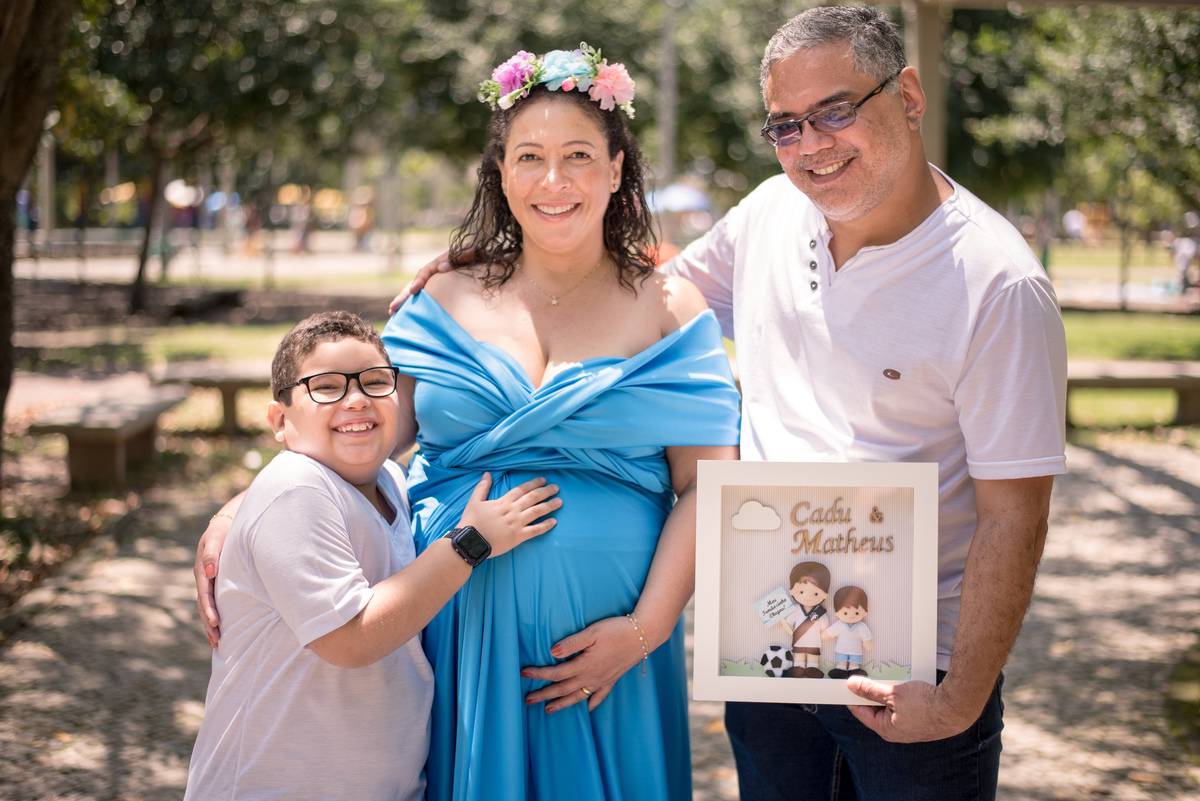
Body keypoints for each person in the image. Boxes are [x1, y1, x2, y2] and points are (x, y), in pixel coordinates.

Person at [393, 8, 1066, 799]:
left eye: (837, 110)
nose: (813, 143)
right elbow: (646, 282)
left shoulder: (998, 284)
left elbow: (1015, 514)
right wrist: (501, 250)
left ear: (909, 94)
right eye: (786, 125)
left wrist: (956, 700)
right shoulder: (773, 213)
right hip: (772, 636)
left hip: (913, 666)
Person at [196, 45, 741, 801]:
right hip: (455, 632)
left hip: (611, 652)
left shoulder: (671, 307)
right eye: (531, 157)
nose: (554, 180)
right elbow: (360, 435)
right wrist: (243, 504)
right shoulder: (443, 295)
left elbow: (706, 489)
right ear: (502, 173)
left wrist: (643, 632)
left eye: (579, 154)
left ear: (617, 169)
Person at [183, 311, 560, 800]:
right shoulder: (295, 489)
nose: (356, 398)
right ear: (280, 421)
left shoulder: (391, 483)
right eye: (327, 387)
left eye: (375, 382)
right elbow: (350, 640)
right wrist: (470, 543)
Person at [779, 560, 830, 678]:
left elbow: (824, 625)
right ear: (792, 591)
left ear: (824, 594)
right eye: (801, 591)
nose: (807, 597)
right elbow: (790, 620)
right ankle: (798, 668)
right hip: (799, 640)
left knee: (813, 656)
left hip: (814, 641)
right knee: (799, 655)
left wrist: (825, 631)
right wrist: (786, 625)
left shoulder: (819, 611)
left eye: (816, 594)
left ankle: (812, 668)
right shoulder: (796, 609)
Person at [824, 585, 872, 679]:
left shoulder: (861, 626)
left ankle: (854, 670)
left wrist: (867, 642)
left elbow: (866, 636)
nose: (851, 616)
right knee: (841, 659)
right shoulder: (840, 625)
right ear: (837, 612)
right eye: (845, 613)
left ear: (865, 612)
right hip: (842, 648)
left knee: (855, 660)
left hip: (855, 649)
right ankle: (840, 670)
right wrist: (825, 635)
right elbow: (831, 632)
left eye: (857, 613)